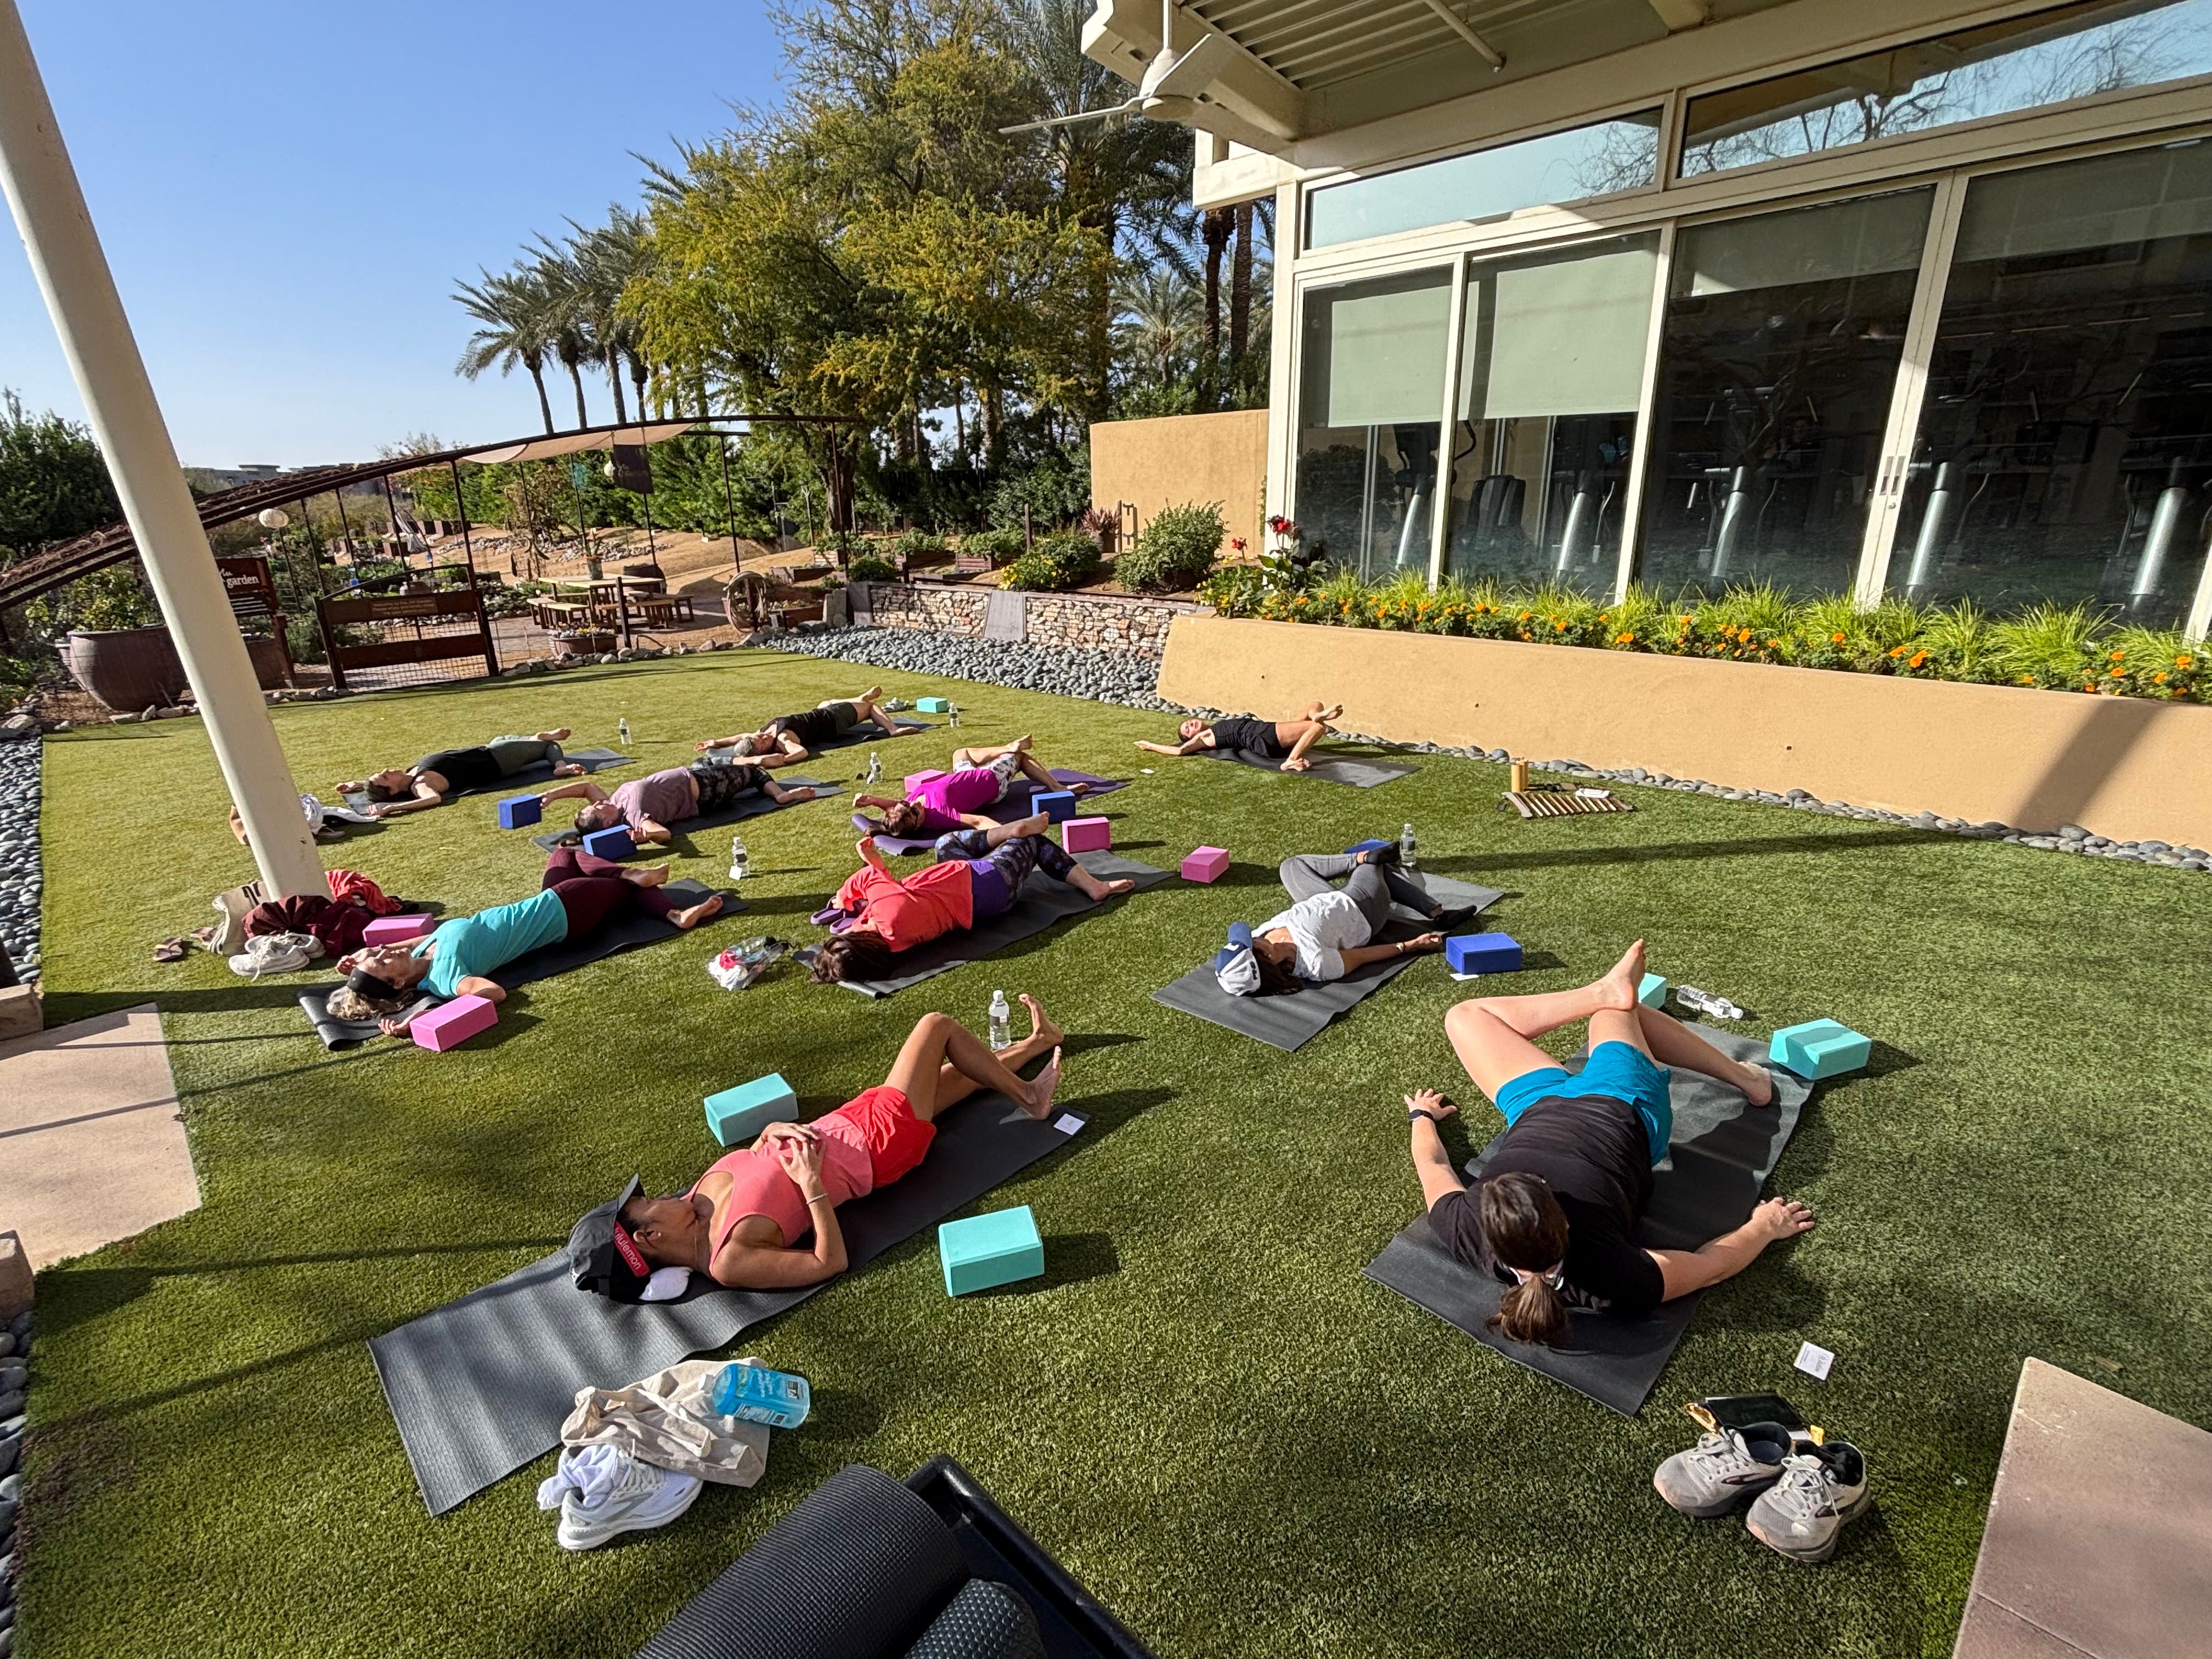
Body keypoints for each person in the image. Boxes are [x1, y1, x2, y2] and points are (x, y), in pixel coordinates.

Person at [1404, 941, 1813, 1345]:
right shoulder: (1612, 1278)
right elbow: (1710, 1267)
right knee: (1617, 1013)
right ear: (1564, 1220)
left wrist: (1421, 1116)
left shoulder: (1464, 1229)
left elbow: (1434, 1166)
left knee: (1466, 1017)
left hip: (1536, 1105)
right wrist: (1764, 1228)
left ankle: (1603, 989)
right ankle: (1749, 1081)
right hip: (1622, 1104)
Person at [572, 998, 1066, 1293]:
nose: (660, 1197)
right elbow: (827, 1263)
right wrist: (812, 1186)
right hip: (878, 1145)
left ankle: (1039, 1042)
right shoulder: (727, 1260)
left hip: (850, 1120)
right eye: (648, 1205)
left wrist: (768, 1133)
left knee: (963, 1075)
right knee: (935, 1027)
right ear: (648, 1239)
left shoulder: (695, 1202)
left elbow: (757, 1160)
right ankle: (1031, 1098)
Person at [324, 847, 723, 1031]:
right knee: (616, 884)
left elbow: (402, 947)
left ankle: (650, 894)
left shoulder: (424, 950)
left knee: (564, 855)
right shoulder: (446, 978)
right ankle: (665, 908)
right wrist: (417, 1018)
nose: (382, 950)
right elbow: (494, 994)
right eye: (381, 961)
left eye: (376, 951)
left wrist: (360, 959)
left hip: (549, 901)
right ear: (397, 983)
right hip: (565, 913)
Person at [809, 818, 1135, 984]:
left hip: (960, 882)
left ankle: (1003, 832)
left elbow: (868, 917)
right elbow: (872, 875)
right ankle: (1094, 887)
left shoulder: (890, 944)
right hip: (988, 885)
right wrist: (846, 893)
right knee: (1031, 840)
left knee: (947, 842)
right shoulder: (888, 915)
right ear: (858, 942)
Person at [1212, 845, 1448, 996]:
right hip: (1361, 907)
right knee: (1374, 866)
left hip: (1318, 899)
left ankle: (1362, 856)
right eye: (1249, 944)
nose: (1251, 937)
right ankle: (1434, 910)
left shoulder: (1261, 937)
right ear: (1268, 959)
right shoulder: (1316, 963)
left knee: (1291, 866)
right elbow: (1363, 956)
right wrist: (1411, 945)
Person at [854, 736, 1087, 840]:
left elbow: (895, 808)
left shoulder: (908, 807)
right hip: (991, 781)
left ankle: (1006, 746)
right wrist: (1013, 833)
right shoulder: (941, 815)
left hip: (964, 775)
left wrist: (874, 801)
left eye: (905, 803)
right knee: (1020, 756)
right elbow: (978, 822)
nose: (912, 803)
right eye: (913, 810)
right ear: (917, 824)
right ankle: (1056, 787)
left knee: (960, 753)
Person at [539, 759, 817, 845]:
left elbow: (586, 786)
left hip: (697, 776)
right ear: (608, 822)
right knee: (753, 772)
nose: (599, 802)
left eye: (596, 804)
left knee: (715, 761)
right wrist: (641, 838)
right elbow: (664, 833)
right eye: (597, 808)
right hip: (707, 788)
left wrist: (552, 795)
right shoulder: (633, 815)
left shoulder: (613, 805)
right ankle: (781, 795)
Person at [336, 731, 583, 818]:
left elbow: (382, 787)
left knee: (503, 737)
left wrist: (357, 784)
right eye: (386, 777)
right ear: (393, 791)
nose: (388, 770)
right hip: (498, 759)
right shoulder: (421, 784)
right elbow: (433, 799)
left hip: (491, 748)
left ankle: (533, 738)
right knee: (547, 747)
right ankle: (559, 765)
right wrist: (390, 809)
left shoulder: (411, 775)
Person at [695, 685, 904, 766]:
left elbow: (742, 736)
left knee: (826, 702)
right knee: (869, 707)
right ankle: (892, 728)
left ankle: (858, 698)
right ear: (766, 749)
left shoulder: (758, 736)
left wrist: (716, 743)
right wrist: (781, 759)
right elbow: (802, 752)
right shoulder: (784, 740)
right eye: (764, 742)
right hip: (833, 721)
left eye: (760, 737)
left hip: (821, 711)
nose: (764, 736)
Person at [1137, 702, 1344, 772]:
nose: (1190, 724)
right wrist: (1150, 745)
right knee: (1316, 728)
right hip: (1262, 737)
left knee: (1314, 705)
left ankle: (1318, 715)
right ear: (1191, 738)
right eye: (1187, 729)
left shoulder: (1215, 726)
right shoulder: (1204, 737)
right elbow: (1179, 751)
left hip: (1265, 729)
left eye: (1188, 722)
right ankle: (1290, 761)